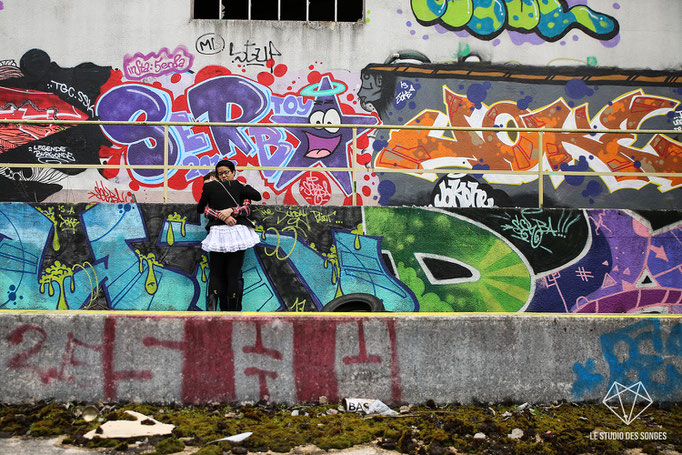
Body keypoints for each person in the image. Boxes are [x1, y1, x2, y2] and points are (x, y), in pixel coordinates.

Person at [197, 160, 261, 311]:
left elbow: (247, 208)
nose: (224, 176)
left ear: (233, 172)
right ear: (218, 175)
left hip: (221, 233)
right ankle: (232, 311)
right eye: (221, 174)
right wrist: (224, 216)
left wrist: (230, 210)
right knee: (232, 274)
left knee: (218, 273)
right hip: (233, 232)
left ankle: (213, 310)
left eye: (226, 172)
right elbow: (204, 210)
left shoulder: (233, 187)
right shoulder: (237, 187)